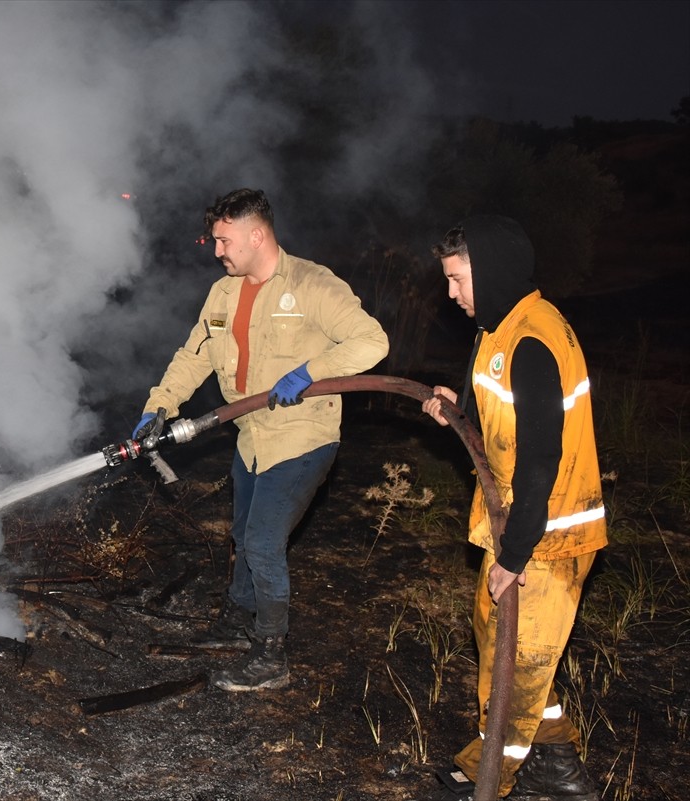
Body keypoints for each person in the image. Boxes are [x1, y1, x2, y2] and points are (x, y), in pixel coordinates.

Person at [132, 188, 388, 691]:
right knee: (243, 532)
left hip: (303, 436)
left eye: (224, 241)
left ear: (256, 235)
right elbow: (194, 356)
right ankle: (237, 619)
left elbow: (372, 341)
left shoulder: (313, 284)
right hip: (252, 435)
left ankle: (272, 655)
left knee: (263, 540)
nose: (217, 251)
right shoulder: (223, 294)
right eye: (215, 241)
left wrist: (311, 371)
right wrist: (158, 406)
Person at [422, 216, 607, 800]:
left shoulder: (533, 340)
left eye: (458, 279)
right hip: (517, 525)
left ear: (493, 270)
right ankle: (558, 765)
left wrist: (517, 552)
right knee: (498, 637)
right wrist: (457, 409)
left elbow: (540, 457)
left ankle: (488, 773)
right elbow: (500, 415)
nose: (451, 293)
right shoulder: (497, 327)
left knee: (518, 661)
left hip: (549, 535)